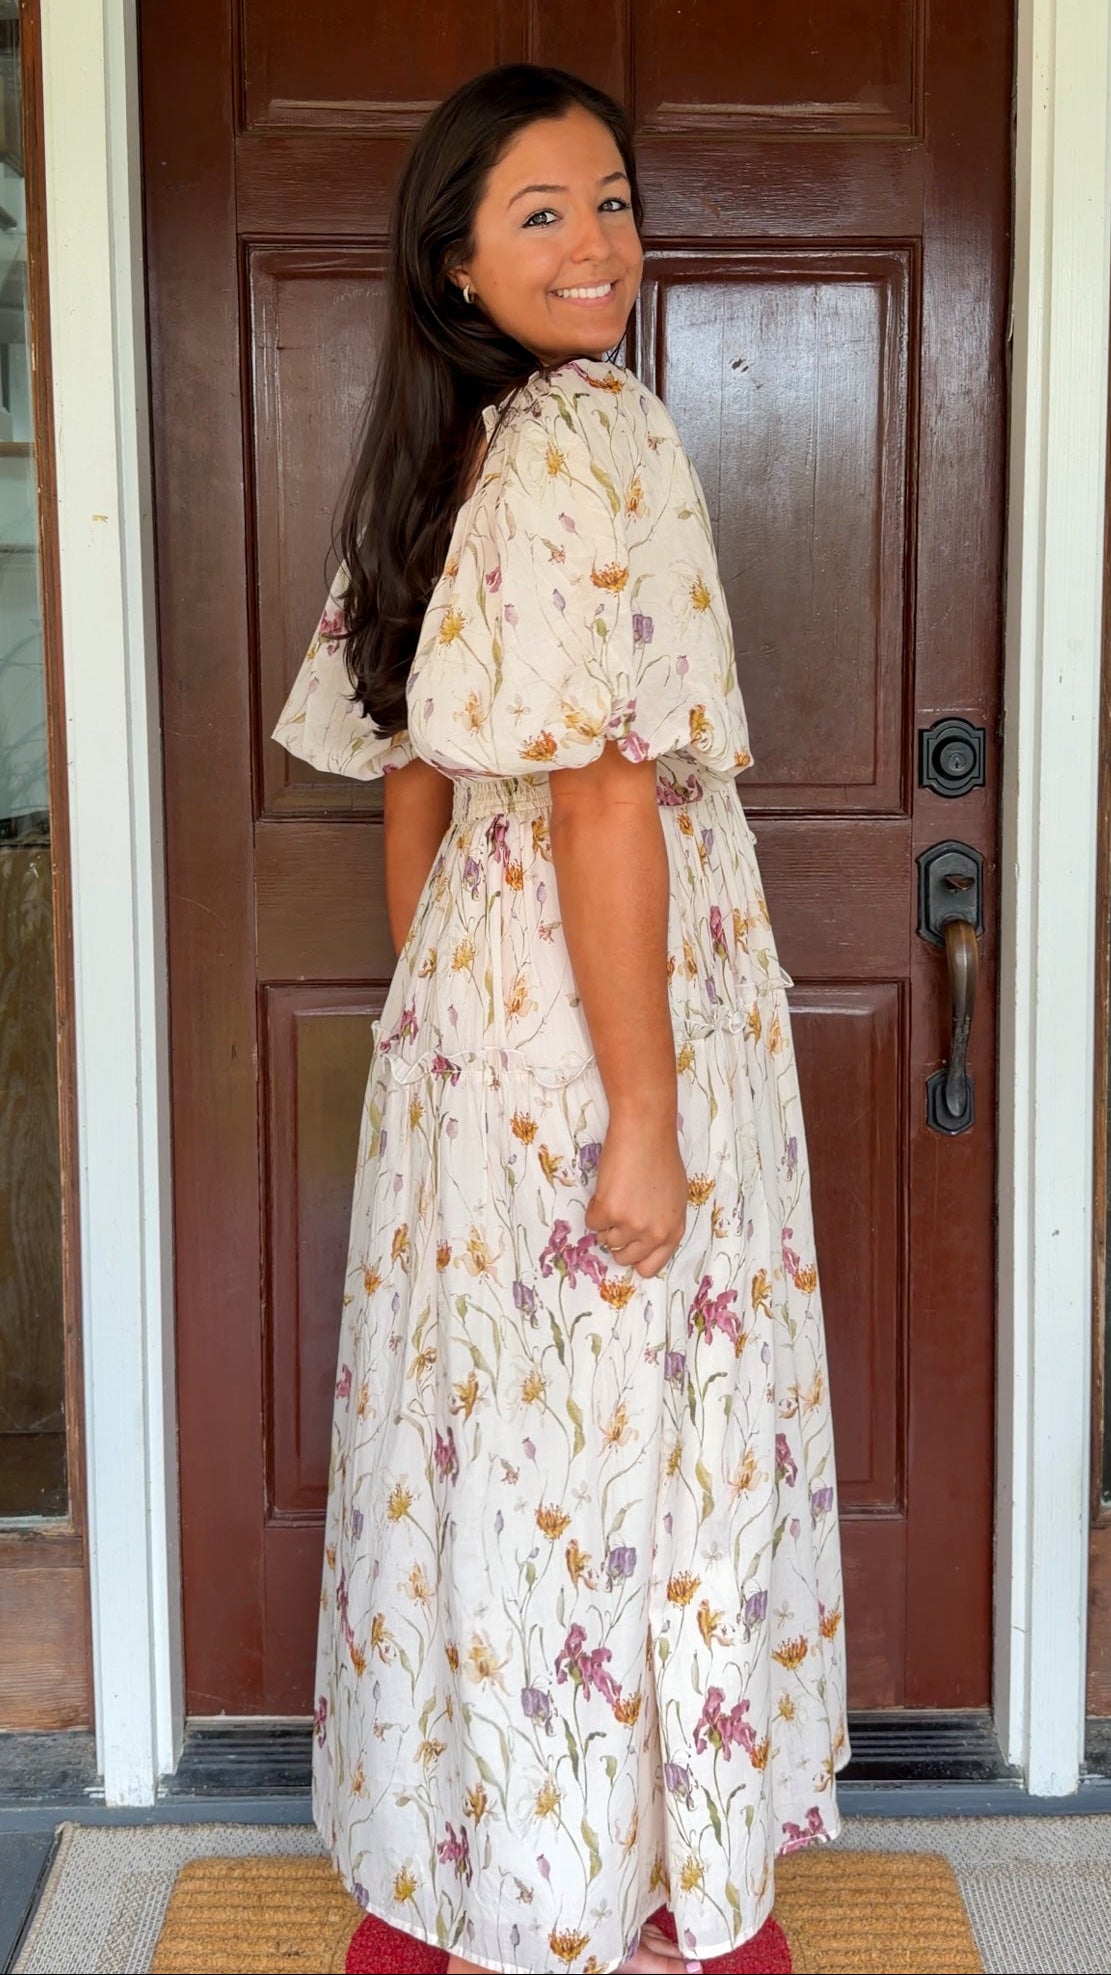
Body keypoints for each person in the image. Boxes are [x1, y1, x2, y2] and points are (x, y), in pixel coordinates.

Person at [273, 62, 848, 1975]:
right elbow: (604, 792)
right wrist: (642, 1114)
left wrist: (454, 1026)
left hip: (476, 1014)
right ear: (454, 257)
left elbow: (414, 789)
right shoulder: (601, 428)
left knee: (484, 1443)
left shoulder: (433, 458)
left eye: (613, 200)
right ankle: (649, 1895)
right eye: (542, 212)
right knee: (638, 1448)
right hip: (616, 1004)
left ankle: (454, 1888)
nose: (598, 243)